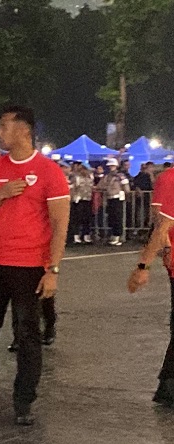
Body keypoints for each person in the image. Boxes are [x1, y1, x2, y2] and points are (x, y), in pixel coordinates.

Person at [0, 106, 70, 426]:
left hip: (29, 266)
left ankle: (23, 402)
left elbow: (60, 225)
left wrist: (54, 270)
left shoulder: (49, 171)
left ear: (24, 130)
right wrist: (1, 194)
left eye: (4, 126)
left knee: (27, 335)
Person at [129, 165, 174, 406]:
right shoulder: (169, 179)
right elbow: (161, 223)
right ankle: (167, 386)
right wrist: (144, 265)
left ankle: (168, 386)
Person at [97, 158, 130, 246]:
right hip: (110, 198)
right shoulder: (107, 176)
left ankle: (117, 236)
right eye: (110, 166)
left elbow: (126, 187)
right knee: (111, 218)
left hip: (117, 198)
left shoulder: (120, 176)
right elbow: (101, 185)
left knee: (117, 218)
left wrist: (126, 195)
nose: (111, 167)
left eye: (112, 165)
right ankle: (113, 235)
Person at [69, 161, 94, 244]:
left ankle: (86, 236)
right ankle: (76, 236)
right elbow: (72, 188)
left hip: (88, 199)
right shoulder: (76, 178)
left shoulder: (90, 177)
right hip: (78, 200)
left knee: (87, 219)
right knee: (77, 219)